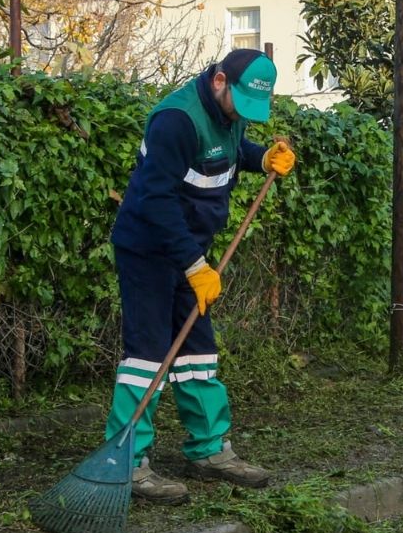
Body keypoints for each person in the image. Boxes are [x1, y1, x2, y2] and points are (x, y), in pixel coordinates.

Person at [106, 49, 296, 504]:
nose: (242, 115)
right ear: (218, 80)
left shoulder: (229, 114)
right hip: (149, 251)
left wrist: (262, 158)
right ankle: (126, 463)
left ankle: (208, 451)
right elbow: (156, 202)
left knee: (198, 354)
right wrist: (195, 267)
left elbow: (222, 158)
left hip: (193, 255)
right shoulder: (175, 120)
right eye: (240, 103)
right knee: (147, 356)